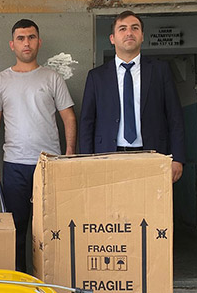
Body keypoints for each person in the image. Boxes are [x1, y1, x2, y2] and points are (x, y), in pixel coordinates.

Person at [0, 19, 77, 273]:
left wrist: (69, 154)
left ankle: (49, 282)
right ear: (12, 44)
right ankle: (20, 282)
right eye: (21, 38)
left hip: (49, 165)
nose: (26, 43)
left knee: (50, 229)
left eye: (31, 37)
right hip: (14, 165)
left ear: (39, 42)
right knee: (16, 230)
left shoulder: (52, 77)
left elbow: (68, 117)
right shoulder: (0, 80)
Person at [79, 10, 185, 182]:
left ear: (142, 36)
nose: (129, 33)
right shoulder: (97, 76)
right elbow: (87, 121)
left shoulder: (160, 71)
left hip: (152, 154)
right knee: (111, 200)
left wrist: (177, 157)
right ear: (112, 38)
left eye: (135, 28)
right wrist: (85, 160)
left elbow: (175, 117)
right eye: (122, 29)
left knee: (150, 199)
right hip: (107, 155)